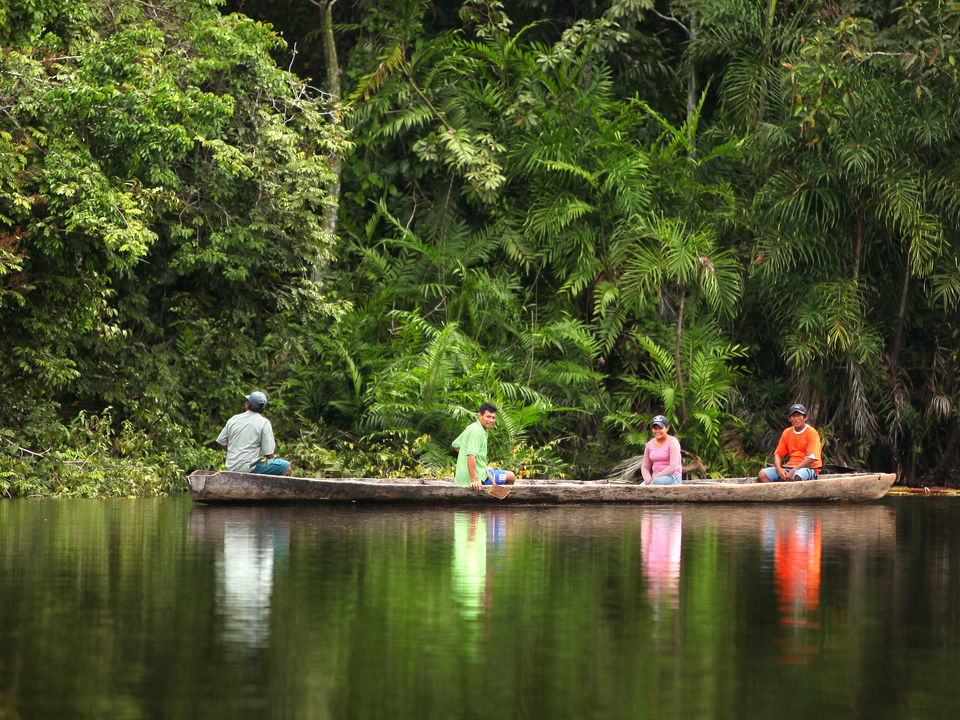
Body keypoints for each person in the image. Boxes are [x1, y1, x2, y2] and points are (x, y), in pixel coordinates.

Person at [217, 391, 292, 475]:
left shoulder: (233, 419)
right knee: (286, 467)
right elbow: (268, 453)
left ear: (247, 405)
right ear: (263, 408)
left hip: (231, 467)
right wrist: (274, 460)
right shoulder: (264, 423)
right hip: (249, 468)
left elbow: (221, 442)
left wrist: (234, 452)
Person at [452, 402, 517, 490]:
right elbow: (471, 455)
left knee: (492, 470)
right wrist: (474, 480)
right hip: (478, 479)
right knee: (511, 476)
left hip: (461, 479)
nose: (491, 420)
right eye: (488, 416)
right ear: (480, 415)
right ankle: (497, 498)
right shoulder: (477, 431)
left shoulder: (472, 427)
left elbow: (455, 445)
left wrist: (480, 466)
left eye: (493, 417)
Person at [758, 403, 822, 482]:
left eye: (799, 416)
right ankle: (776, 490)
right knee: (763, 474)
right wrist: (779, 469)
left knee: (797, 476)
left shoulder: (812, 433)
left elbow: (812, 457)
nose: (796, 419)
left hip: (808, 468)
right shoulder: (787, 432)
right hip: (790, 466)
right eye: (793, 416)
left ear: (805, 418)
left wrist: (794, 471)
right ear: (789, 419)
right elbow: (778, 454)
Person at [640, 414, 683, 485]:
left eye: (660, 428)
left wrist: (654, 479)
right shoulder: (649, 444)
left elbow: (673, 467)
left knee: (656, 482)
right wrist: (648, 480)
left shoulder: (673, 442)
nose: (657, 431)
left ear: (667, 428)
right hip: (655, 478)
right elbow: (645, 467)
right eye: (655, 428)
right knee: (641, 487)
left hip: (672, 477)